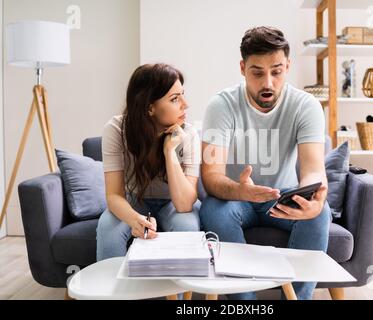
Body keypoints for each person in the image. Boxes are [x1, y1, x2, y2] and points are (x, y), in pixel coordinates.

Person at [200, 26, 331, 300]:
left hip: (281, 197)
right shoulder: (220, 106)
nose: (268, 82)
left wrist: (315, 197)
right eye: (257, 72)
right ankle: (244, 302)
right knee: (213, 210)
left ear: (288, 66)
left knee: (320, 213)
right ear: (242, 68)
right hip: (236, 198)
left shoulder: (306, 106)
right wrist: (240, 190)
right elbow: (211, 176)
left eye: (277, 71)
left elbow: (313, 169)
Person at [97, 63, 201, 261]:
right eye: (175, 99)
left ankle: (174, 292)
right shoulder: (116, 130)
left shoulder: (189, 134)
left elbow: (185, 204)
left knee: (187, 227)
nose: (185, 104)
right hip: (133, 200)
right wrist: (135, 219)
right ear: (150, 107)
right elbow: (113, 196)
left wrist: (169, 151)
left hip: (172, 203)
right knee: (108, 228)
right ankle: (110, 290)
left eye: (182, 95)